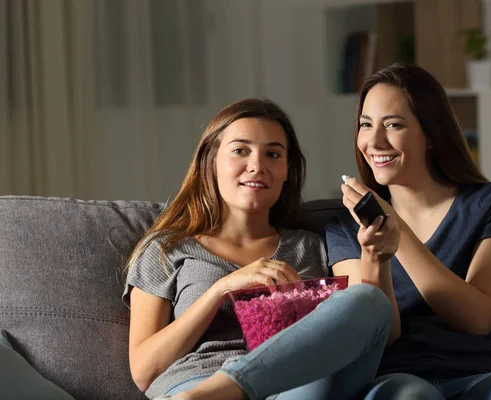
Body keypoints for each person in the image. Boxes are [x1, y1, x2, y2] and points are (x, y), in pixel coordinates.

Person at [123, 98, 392, 400]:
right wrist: (220, 290)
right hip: (192, 386)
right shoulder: (167, 248)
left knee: (370, 301)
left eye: (273, 154)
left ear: (287, 170)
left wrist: (375, 255)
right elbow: (144, 372)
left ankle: (230, 390)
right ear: (211, 161)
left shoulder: (311, 246)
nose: (257, 166)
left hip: (293, 389)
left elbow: (373, 323)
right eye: (240, 150)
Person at [325, 63, 491, 399]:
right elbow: (380, 336)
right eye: (365, 125)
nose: (374, 141)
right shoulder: (345, 228)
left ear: (432, 134)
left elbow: (478, 318)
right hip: (400, 377)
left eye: (393, 125)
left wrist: (397, 229)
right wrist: (376, 257)